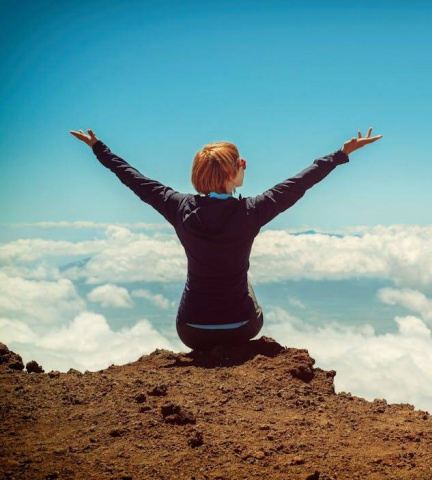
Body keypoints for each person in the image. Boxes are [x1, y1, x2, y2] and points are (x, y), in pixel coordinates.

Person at [69, 127, 383, 351]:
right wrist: (342, 154)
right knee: (243, 280)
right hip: (242, 328)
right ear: (231, 175)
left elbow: (131, 177)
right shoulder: (254, 211)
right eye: (240, 163)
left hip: (191, 331)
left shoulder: (176, 206)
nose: (244, 166)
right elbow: (301, 182)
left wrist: (99, 147)